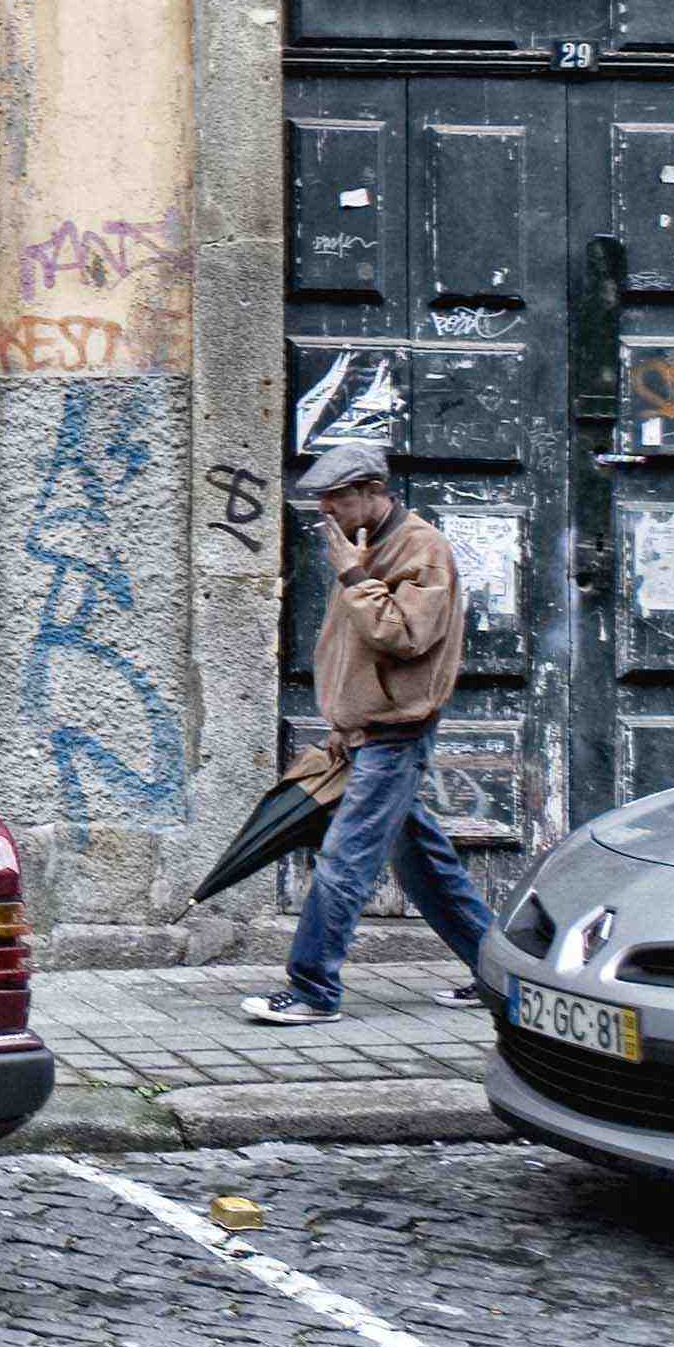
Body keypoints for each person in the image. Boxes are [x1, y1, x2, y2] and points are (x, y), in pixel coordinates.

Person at [241, 435, 496, 1026]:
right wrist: (341, 727)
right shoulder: (363, 544)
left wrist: (354, 576)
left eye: (336, 498)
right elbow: (355, 651)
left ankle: (313, 991)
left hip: (396, 736)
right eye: (323, 499)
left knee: (345, 860)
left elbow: (404, 636)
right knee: (427, 865)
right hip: (366, 734)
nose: (325, 511)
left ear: (373, 492)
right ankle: (500, 975)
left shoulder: (420, 550)